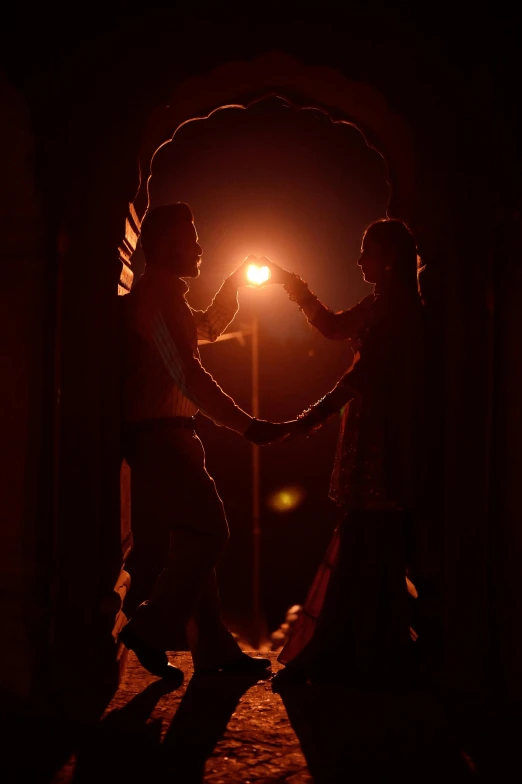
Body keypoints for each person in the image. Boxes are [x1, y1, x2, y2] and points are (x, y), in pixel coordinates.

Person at [256, 219, 430, 688]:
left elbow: (363, 376)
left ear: (389, 258)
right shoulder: (382, 303)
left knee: (368, 539)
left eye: (365, 251)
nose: (358, 261)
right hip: (372, 436)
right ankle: (361, 652)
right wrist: (291, 285)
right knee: (369, 540)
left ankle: (342, 651)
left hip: (385, 442)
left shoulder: (400, 310)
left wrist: (307, 419)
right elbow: (334, 328)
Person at [118, 202, 284, 681]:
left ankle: (213, 650)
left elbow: (204, 330)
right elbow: (187, 373)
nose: (198, 247)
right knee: (211, 532)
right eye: (190, 237)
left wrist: (233, 287)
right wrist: (246, 425)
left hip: (169, 434)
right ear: (166, 243)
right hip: (159, 435)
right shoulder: (154, 298)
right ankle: (149, 626)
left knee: (196, 540)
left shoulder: (165, 296)